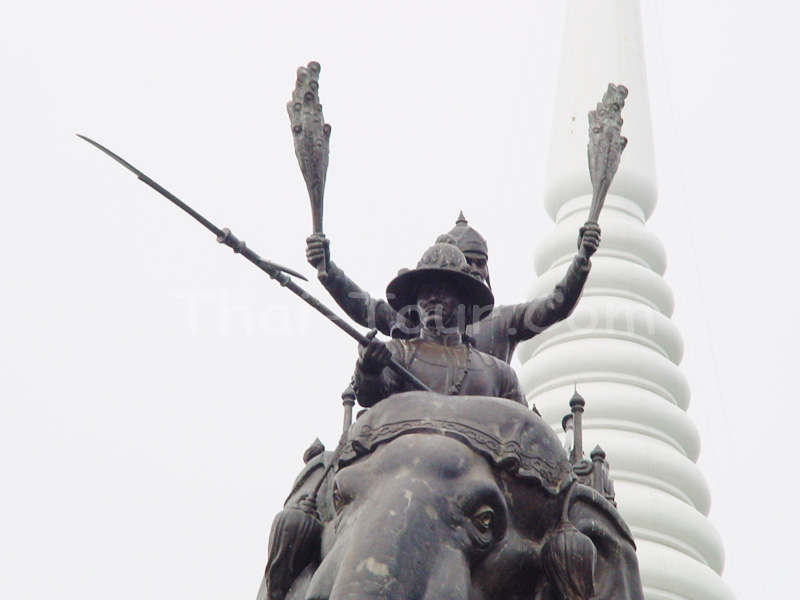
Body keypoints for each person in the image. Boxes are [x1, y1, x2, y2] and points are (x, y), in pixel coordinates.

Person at [307, 213, 600, 364]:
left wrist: (581, 262)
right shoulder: (416, 316)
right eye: (468, 262)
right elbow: (366, 308)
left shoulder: (505, 320)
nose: (476, 269)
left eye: (481, 263)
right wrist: (328, 270)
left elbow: (555, 305)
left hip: (491, 422)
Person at [352, 242, 525, 408]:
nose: (433, 298)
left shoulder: (499, 373)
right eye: (425, 292)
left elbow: (523, 422)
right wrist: (369, 369)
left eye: (443, 291)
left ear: (463, 300)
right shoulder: (397, 354)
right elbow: (369, 397)